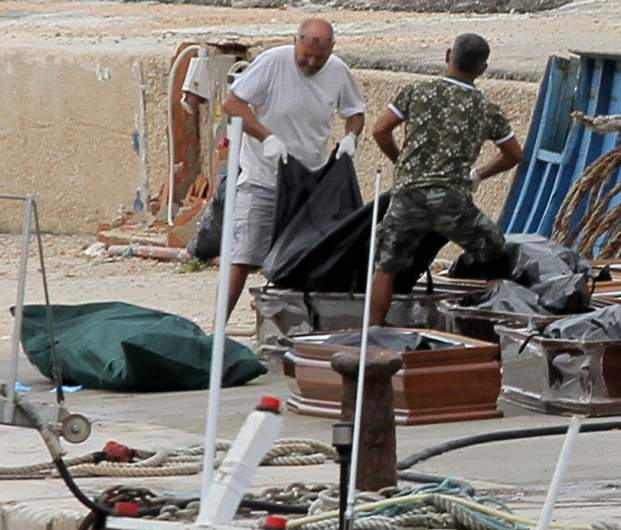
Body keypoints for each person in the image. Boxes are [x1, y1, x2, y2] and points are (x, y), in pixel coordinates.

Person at [369, 33, 523, 325]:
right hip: (452, 201)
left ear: (448, 54)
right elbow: (514, 155)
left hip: (408, 197)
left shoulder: (417, 91)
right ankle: (493, 324)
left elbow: (380, 130)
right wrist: (477, 174)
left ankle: (374, 332)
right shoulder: (487, 108)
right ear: (482, 69)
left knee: (385, 267)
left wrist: (401, 164)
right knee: (494, 252)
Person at [221, 18, 366, 318]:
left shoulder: (338, 71)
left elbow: (355, 111)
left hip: (309, 183)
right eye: (306, 56)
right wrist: (266, 137)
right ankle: (217, 327)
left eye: (320, 58)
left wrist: (351, 136)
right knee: (244, 255)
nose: (312, 63)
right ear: (295, 42)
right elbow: (233, 104)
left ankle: (280, 322)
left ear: (332, 50)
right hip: (263, 177)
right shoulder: (272, 63)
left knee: (298, 257)